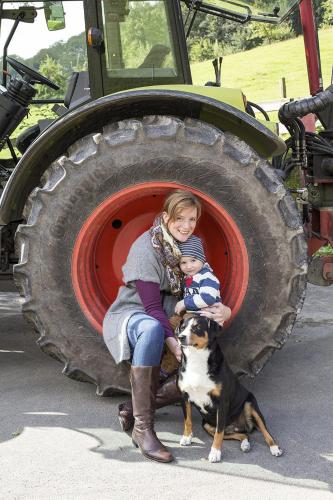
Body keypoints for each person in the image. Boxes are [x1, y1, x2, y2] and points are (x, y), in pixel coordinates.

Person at [103, 189, 231, 464]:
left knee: (202, 369)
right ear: (165, 217)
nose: (186, 225)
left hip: (171, 317)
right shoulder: (146, 248)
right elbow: (151, 307)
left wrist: (225, 309)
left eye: (192, 219)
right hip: (135, 313)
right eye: (179, 219)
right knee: (151, 329)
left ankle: (130, 410)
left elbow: (205, 285)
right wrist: (174, 343)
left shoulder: (188, 247)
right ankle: (143, 429)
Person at [175, 235, 221, 315]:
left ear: (202, 259)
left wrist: (184, 303)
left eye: (193, 260)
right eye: (183, 262)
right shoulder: (188, 277)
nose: (189, 266)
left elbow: (208, 298)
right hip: (193, 317)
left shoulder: (207, 277)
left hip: (207, 318)